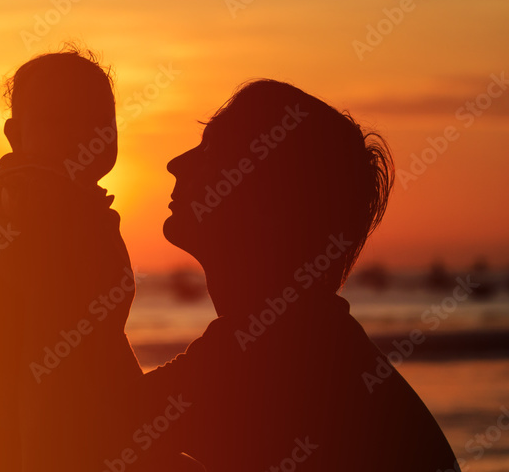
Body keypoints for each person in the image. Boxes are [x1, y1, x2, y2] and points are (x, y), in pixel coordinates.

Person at [135, 79, 461, 471]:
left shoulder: (271, 359)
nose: (176, 163)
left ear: (266, 202)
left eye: (211, 149)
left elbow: (92, 421)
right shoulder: (300, 338)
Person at [0, 47, 151, 471]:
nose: (83, 134)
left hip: (52, 382)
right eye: (59, 122)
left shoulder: (67, 200)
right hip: (37, 389)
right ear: (16, 137)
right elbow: (51, 333)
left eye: (98, 120)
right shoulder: (40, 201)